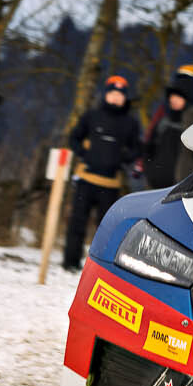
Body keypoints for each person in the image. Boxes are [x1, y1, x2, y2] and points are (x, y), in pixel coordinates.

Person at [62, 75, 144, 272]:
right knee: (77, 223)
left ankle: (101, 268)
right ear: (106, 94)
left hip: (111, 184)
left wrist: (122, 158)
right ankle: (70, 262)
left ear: (125, 98)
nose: (116, 98)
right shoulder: (91, 115)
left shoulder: (131, 123)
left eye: (120, 95)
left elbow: (138, 149)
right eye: (112, 93)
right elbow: (74, 137)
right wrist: (84, 153)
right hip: (86, 178)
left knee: (107, 229)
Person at [141, 74, 193, 188]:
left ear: (186, 100)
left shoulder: (191, 126)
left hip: (179, 185)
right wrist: (150, 172)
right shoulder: (162, 122)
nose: (174, 100)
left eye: (179, 97)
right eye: (172, 96)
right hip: (155, 184)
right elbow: (149, 149)